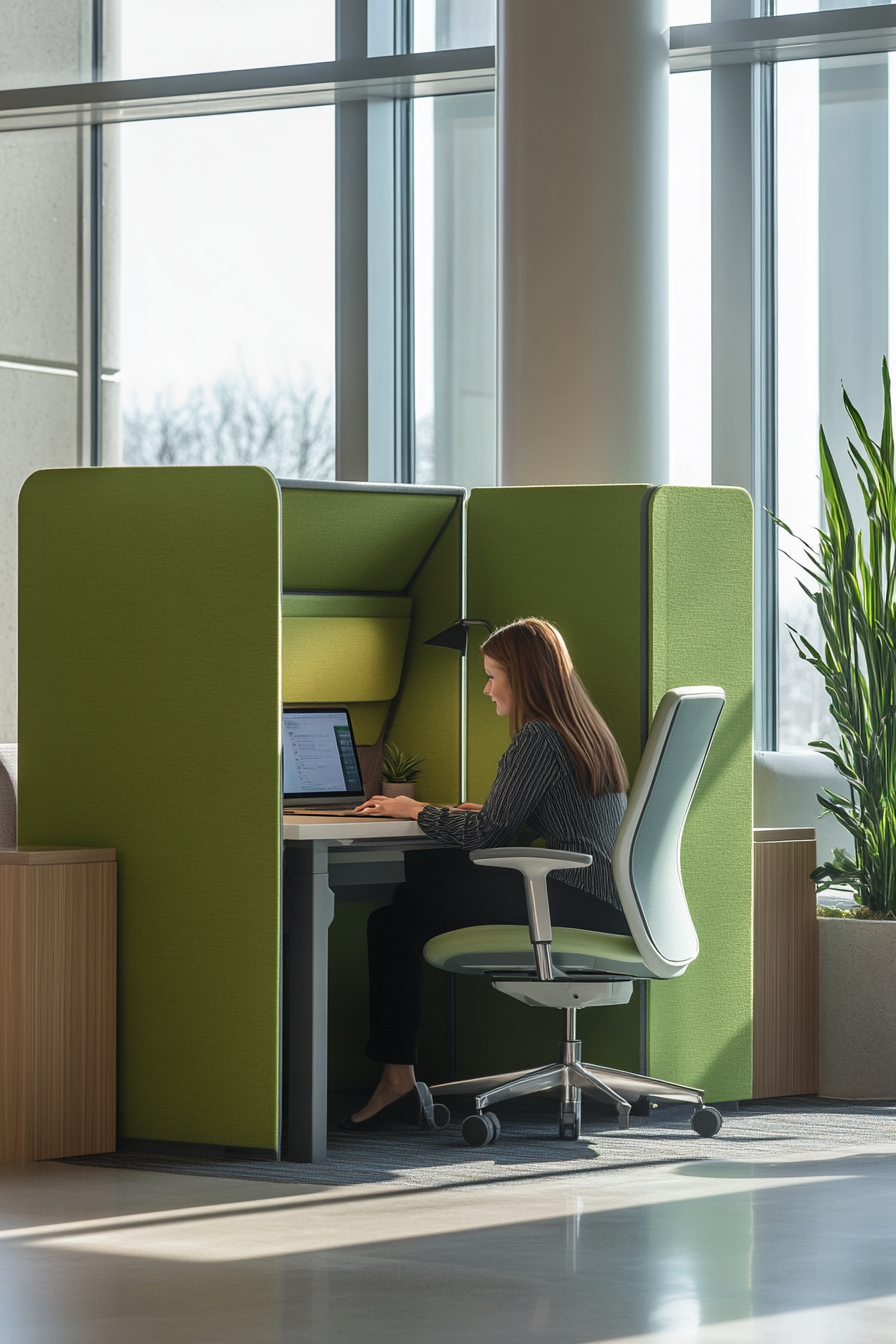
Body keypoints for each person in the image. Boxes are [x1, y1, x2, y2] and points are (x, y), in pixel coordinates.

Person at [342, 617, 630, 1131]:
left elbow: (486, 838)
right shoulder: (586, 729)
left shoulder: (539, 737)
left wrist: (413, 810)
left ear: (525, 678)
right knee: (413, 896)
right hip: (602, 898)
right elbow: (542, 818)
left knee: (396, 918)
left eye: (494, 674)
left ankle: (397, 1082)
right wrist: (474, 814)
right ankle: (397, 1080)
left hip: (568, 895)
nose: (486, 687)